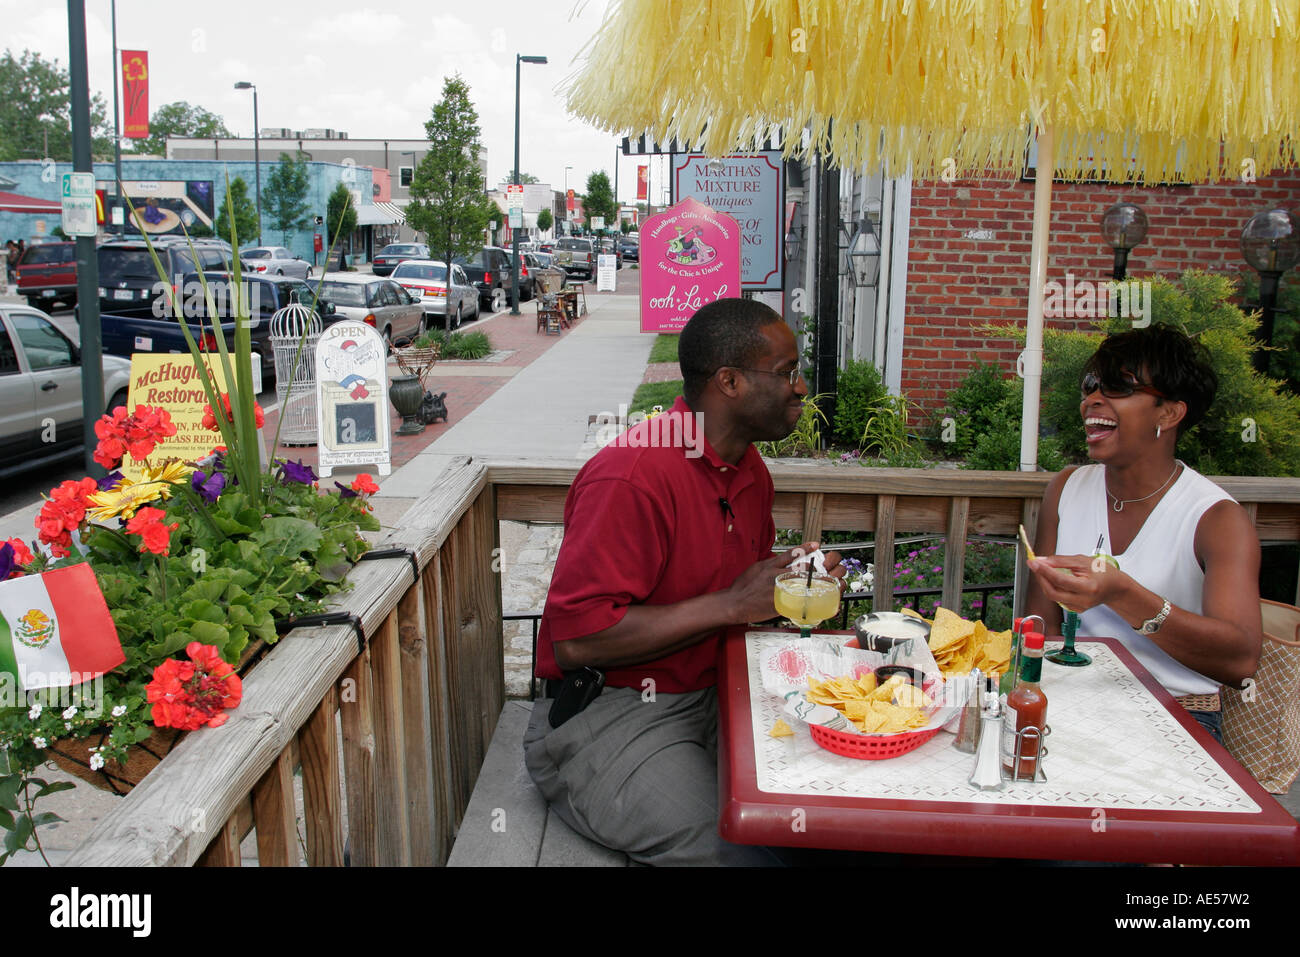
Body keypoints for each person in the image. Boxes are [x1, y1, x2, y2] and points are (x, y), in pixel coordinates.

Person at [523, 297, 843, 866]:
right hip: (610, 712)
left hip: (721, 698)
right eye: (787, 371)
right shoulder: (631, 477)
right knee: (738, 856)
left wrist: (789, 579)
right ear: (730, 382)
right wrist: (730, 605)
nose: (800, 387)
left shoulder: (749, 469)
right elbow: (577, 641)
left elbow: (730, 587)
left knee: (830, 822)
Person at [1025, 324, 1262, 741]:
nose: (1092, 399)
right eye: (1092, 384)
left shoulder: (1217, 518)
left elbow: (1241, 660)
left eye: (1118, 386)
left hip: (1180, 713)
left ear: (1169, 413)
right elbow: (1040, 626)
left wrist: (1121, 594)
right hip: (1076, 703)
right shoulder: (1066, 488)